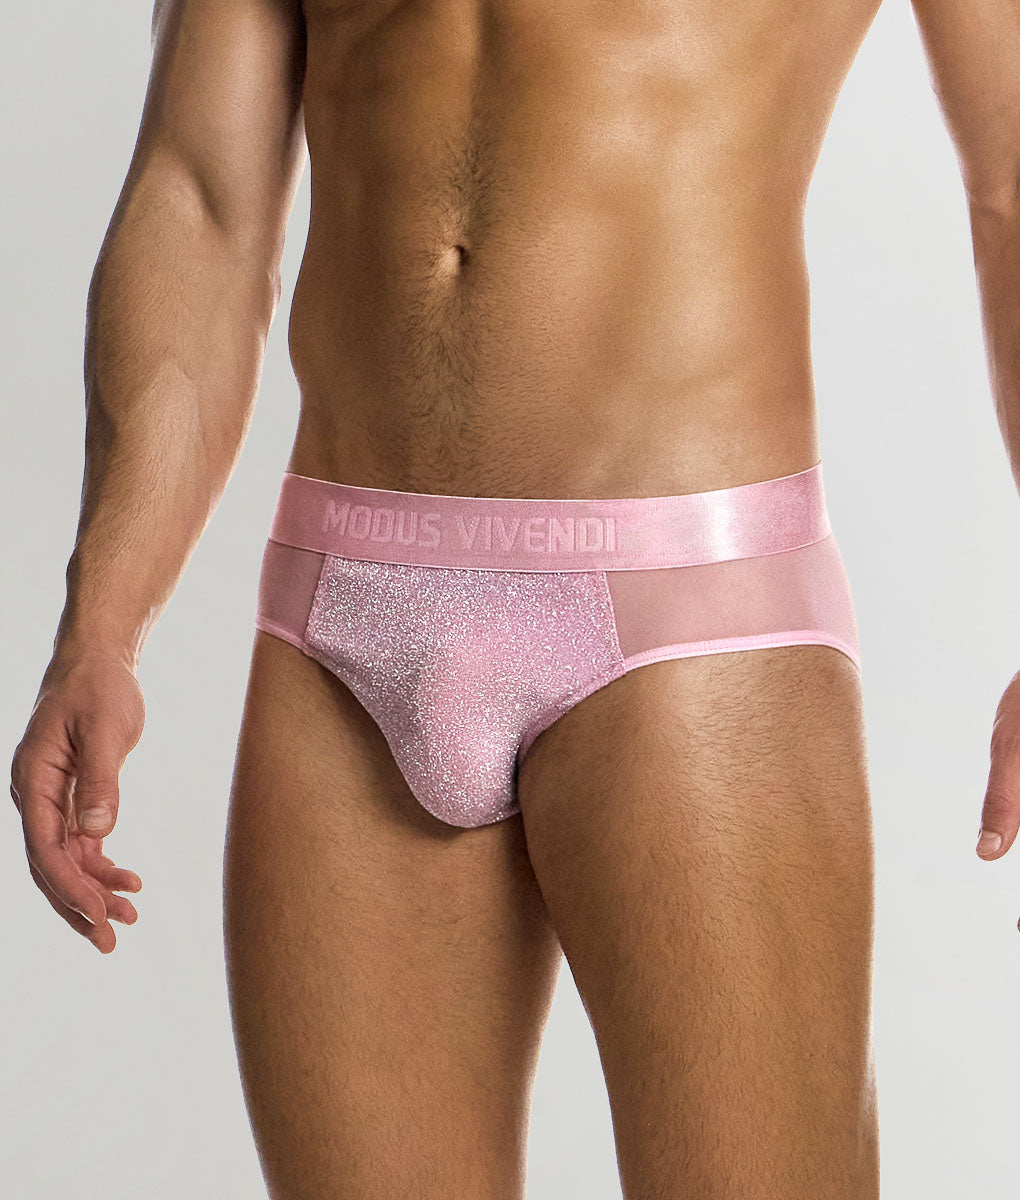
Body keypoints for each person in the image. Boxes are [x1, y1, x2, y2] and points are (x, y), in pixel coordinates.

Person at [9, 0, 1020, 1195]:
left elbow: (1011, 179)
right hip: (344, 618)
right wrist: (102, 624)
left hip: (688, 606)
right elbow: (200, 193)